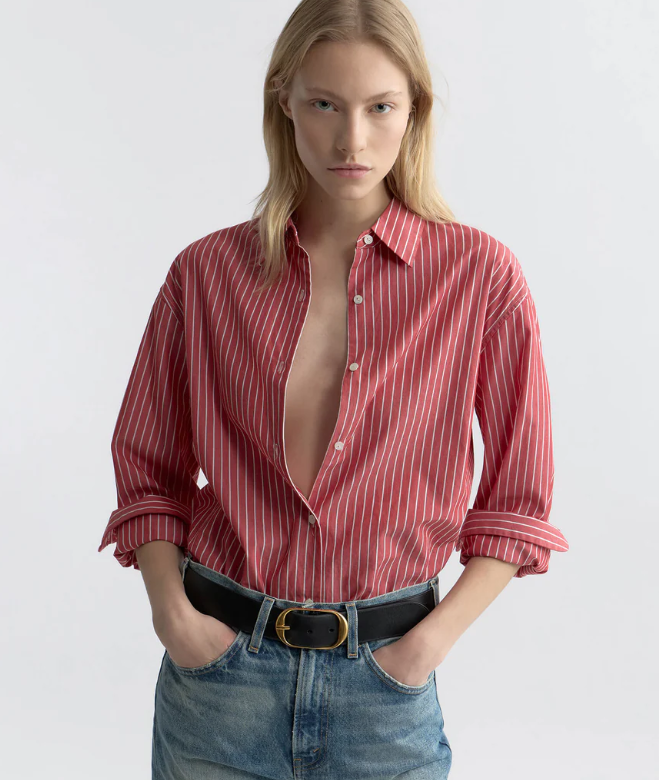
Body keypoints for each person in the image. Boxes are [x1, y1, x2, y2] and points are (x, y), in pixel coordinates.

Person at [98, 1, 569, 777]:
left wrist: (426, 646)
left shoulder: (480, 278)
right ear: (283, 100)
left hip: (385, 688)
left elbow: (519, 501)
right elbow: (148, 467)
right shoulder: (205, 275)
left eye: (379, 106)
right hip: (218, 681)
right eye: (324, 104)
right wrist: (171, 616)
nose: (352, 139)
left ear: (412, 107)